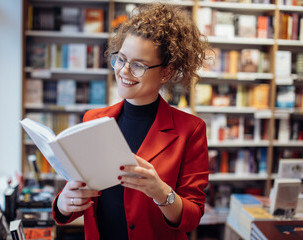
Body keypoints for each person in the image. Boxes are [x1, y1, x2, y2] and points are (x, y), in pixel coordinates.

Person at [53, 3, 210, 240]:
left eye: (138, 65)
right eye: (121, 59)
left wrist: (160, 192)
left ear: (166, 73)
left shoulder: (191, 130)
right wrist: (64, 204)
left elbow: (192, 217)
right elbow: (79, 193)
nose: (124, 71)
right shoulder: (93, 119)